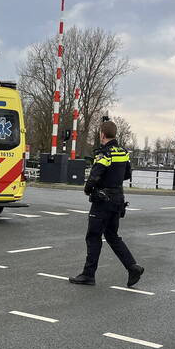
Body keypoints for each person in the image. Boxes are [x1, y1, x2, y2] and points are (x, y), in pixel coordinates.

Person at [69, 120, 144, 287]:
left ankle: (88, 275)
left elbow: (95, 175)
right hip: (118, 200)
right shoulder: (123, 152)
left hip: (103, 201)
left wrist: (89, 189)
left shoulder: (105, 154)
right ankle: (133, 267)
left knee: (93, 237)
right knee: (112, 236)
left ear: (102, 134)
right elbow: (126, 174)